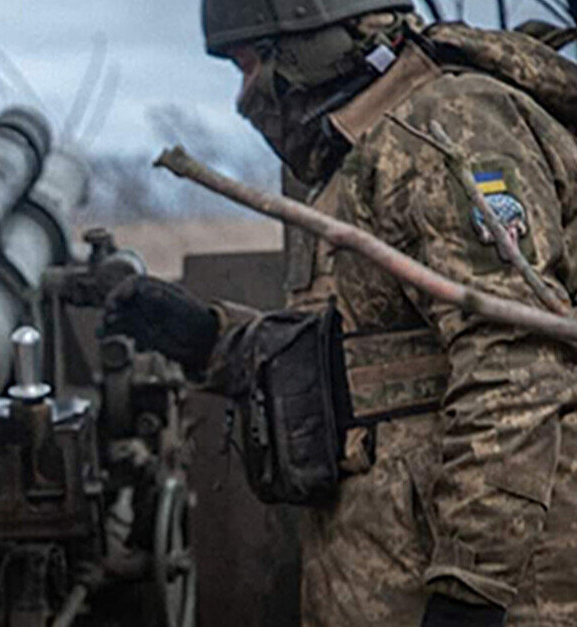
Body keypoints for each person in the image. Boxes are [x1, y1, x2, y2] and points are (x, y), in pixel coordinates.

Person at [105, 3, 577, 626]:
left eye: (247, 67)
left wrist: (471, 590)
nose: (243, 98)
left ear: (306, 48)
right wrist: (214, 341)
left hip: (501, 599)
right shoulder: (361, 153)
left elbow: (516, 368)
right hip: (393, 585)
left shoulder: (440, 129)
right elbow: (379, 368)